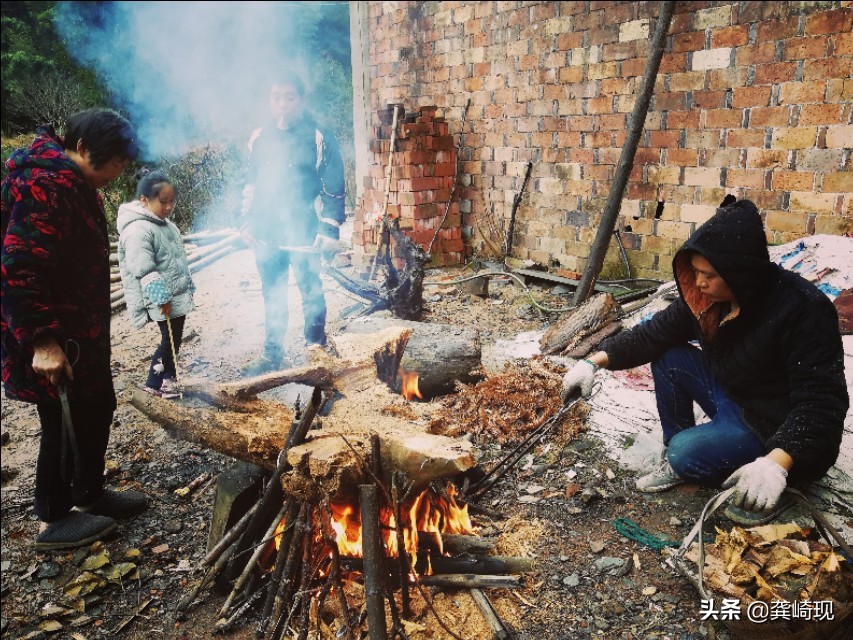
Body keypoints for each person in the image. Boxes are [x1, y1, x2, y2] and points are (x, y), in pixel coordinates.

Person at [560, 199, 848, 526]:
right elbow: (650, 335)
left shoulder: (802, 310)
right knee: (670, 357)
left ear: (740, 273)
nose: (698, 283)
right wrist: (592, 363)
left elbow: (821, 402)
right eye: (695, 272)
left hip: (773, 424)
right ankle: (681, 458)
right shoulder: (709, 301)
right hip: (735, 395)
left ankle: (765, 480)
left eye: (708, 275)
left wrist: (777, 464)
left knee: (685, 453)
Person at [1, 108, 149, 550]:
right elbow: (18, 267)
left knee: (97, 403)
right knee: (62, 416)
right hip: (52, 331)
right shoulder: (44, 185)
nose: (118, 172)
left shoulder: (75, 182)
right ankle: (55, 516)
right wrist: (42, 342)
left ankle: (89, 492)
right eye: (116, 163)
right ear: (83, 148)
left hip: (80, 330)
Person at [238, 71, 346, 376]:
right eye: (276, 97)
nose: (282, 104)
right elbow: (249, 184)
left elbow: (333, 185)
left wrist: (329, 227)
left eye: (289, 97)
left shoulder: (318, 136)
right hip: (267, 232)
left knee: (311, 291)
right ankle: (272, 355)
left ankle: (316, 353)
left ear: (301, 100)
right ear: (269, 100)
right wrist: (244, 222)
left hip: (304, 231)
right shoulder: (259, 137)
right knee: (272, 293)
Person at [117, 169, 195, 398]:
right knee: (168, 340)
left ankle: (169, 379)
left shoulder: (166, 224)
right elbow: (142, 267)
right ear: (144, 200)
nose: (169, 207)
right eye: (163, 202)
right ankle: (154, 383)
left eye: (172, 201)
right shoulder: (137, 229)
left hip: (176, 294)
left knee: (175, 337)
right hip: (162, 297)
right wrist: (162, 298)